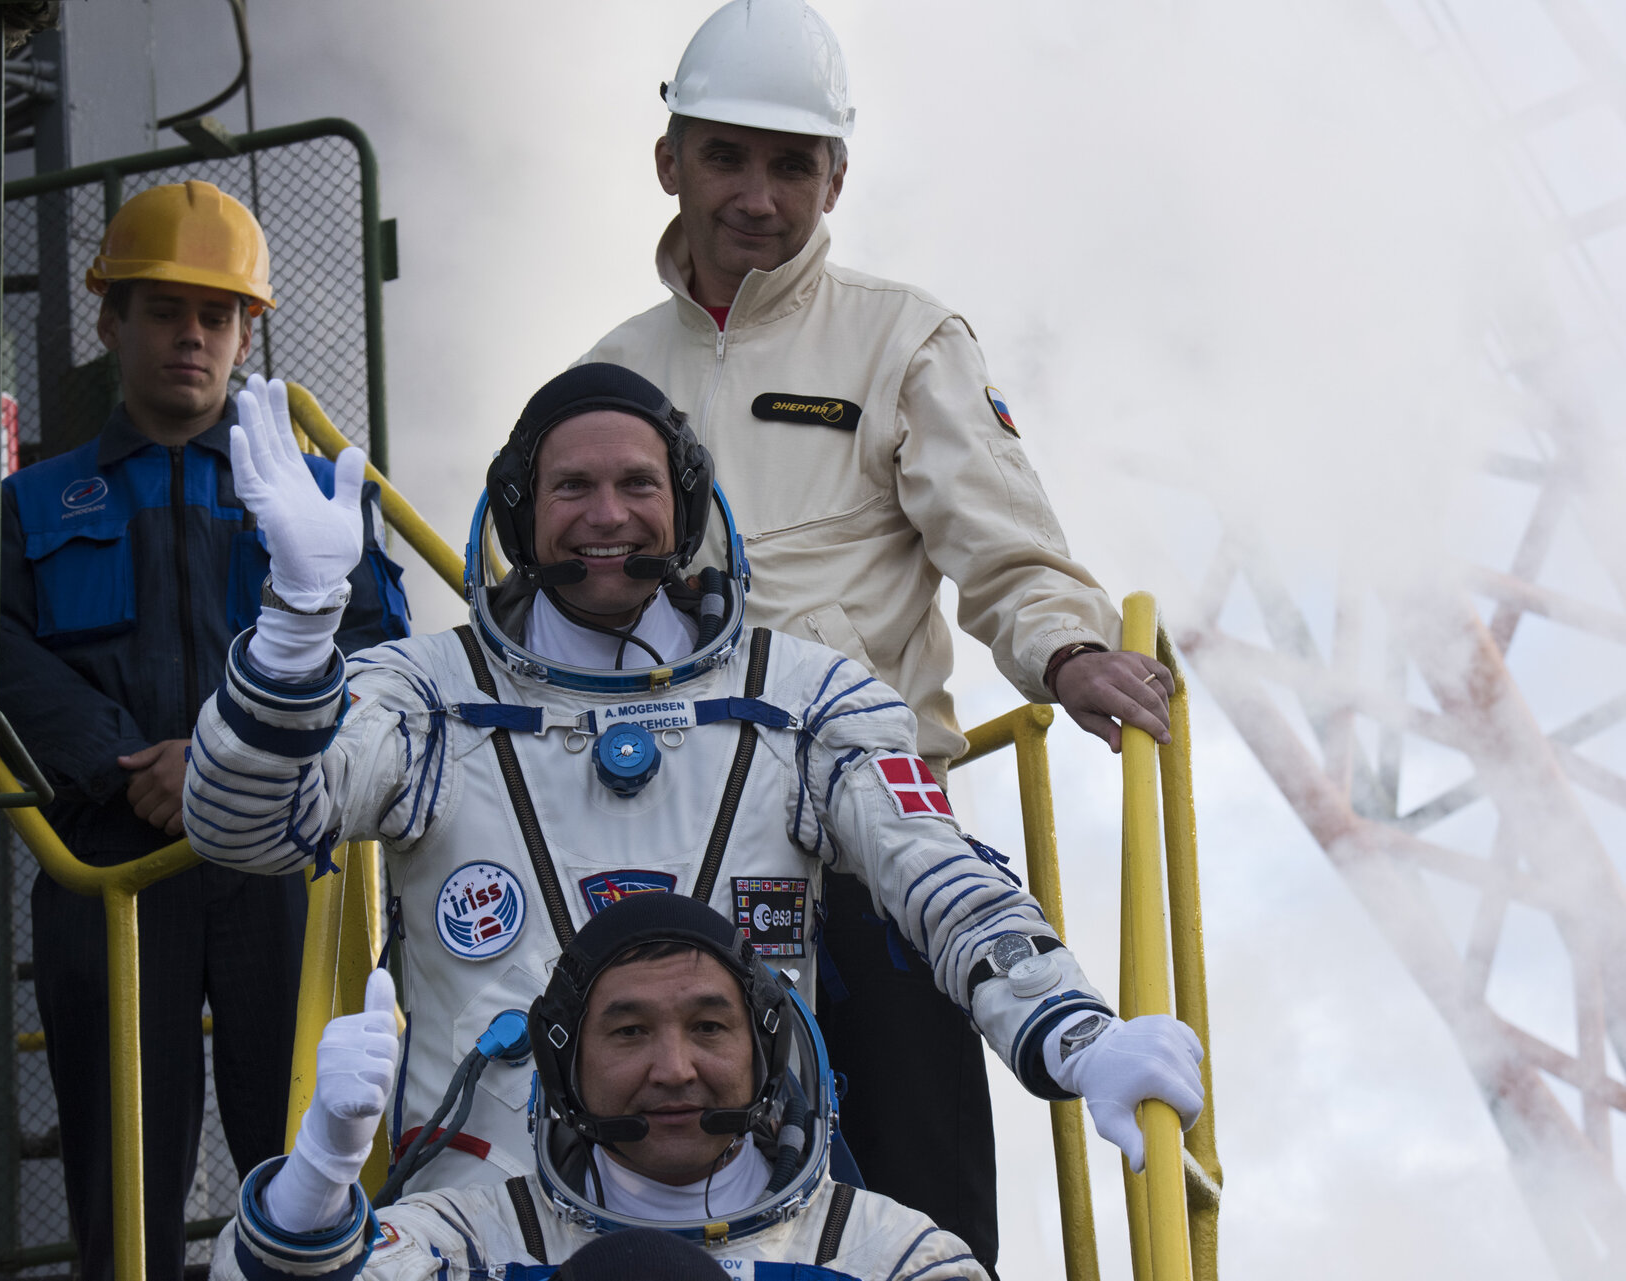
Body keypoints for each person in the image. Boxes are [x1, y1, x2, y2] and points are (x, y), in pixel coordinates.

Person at [180, 361, 1199, 1212]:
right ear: (522, 510)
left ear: (689, 505)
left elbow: (940, 881)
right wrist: (297, 625)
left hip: (749, 1204)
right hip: (489, 1214)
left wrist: (1077, 1036)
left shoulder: (803, 695)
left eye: (638, 485)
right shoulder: (426, 695)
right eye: (572, 489)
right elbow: (249, 825)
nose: (606, 517)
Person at [578, 3, 1176, 1262]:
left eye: (791, 165)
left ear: (835, 177)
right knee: (666, 1224)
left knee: (918, 1197)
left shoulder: (901, 337)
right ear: (668, 161)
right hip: (666, 863)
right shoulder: (609, 380)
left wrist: (1068, 649)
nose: (757, 195)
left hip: (872, 852)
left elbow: (1002, 542)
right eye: (727, 157)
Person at [0, 178, 410, 1280]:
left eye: (216, 315)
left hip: (284, 862)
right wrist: (126, 763)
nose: (193, 336)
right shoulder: (31, 508)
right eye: (164, 310)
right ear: (109, 321)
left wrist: (219, 763)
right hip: (109, 860)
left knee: (316, 1159)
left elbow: (378, 654)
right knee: (121, 1178)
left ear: (246, 332)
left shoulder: (317, 494)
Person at [207, 895, 1202, 1280]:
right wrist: (323, 1176)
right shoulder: (477, 1234)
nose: (674, 1068)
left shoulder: (890, 1254)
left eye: (710, 1028)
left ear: (764, 1057)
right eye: (629, 1031)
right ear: (566, 1070)